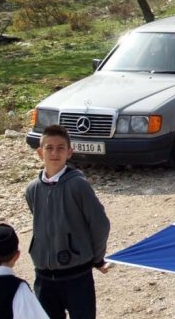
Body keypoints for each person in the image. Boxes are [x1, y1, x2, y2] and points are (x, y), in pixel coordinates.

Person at [25, 125, 111, 319]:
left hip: (77, 275)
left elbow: (100, 224)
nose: (55, 153)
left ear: (69, 152)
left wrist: (97, 258)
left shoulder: (78, 185)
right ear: (40, 152)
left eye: (60, 148)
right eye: (49, 148)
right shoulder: (32, 189)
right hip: (44, 276)